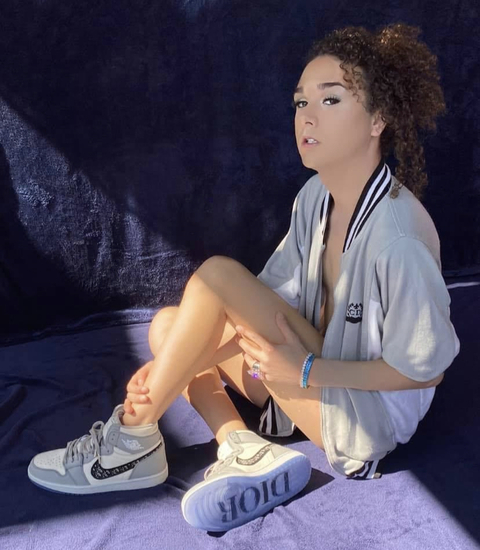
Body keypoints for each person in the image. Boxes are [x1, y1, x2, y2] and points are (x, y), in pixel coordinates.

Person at [27, 22, 460, 532]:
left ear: (378, 119)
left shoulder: (398, 237)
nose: (307, 117)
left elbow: (425, 371)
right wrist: (171, 368)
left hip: (362, 423)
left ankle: (130, 439)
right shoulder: (316, 198)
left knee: (216, 278)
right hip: (305, 376)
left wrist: (305, 371)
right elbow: (263, 303)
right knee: (170, 327)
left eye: (331, 100)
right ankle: (243, 446)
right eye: (300, 102)